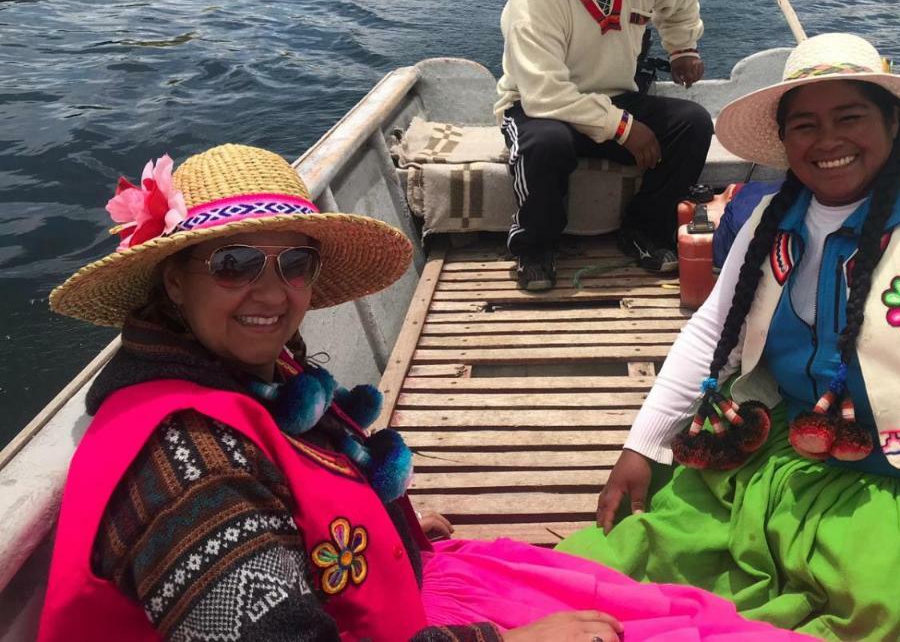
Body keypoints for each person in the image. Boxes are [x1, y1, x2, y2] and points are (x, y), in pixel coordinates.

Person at [39, 143, 812, 642]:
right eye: (235, 264)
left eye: (294, 263)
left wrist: (380, 518)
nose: (270, 292)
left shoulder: (241, 372)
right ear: (174, 279)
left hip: (395, 602)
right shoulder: (185, 471)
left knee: (653, 611)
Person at [558, 34, 900, 639]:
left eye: (850, 117)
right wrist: (646, 443)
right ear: (784, 143)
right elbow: (713, 331)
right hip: (793, 447)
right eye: (804, 125)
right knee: (644, 549)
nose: (828, 140)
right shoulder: (772, 218)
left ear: (894, 122)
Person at [495, 0, 713, 290]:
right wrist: (622, 127)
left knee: (692, 124)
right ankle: (536, 247)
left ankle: (643, 231)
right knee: (547, 145)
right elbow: (543, 94)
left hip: (614, 98)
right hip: (540, 110)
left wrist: (682, 48)